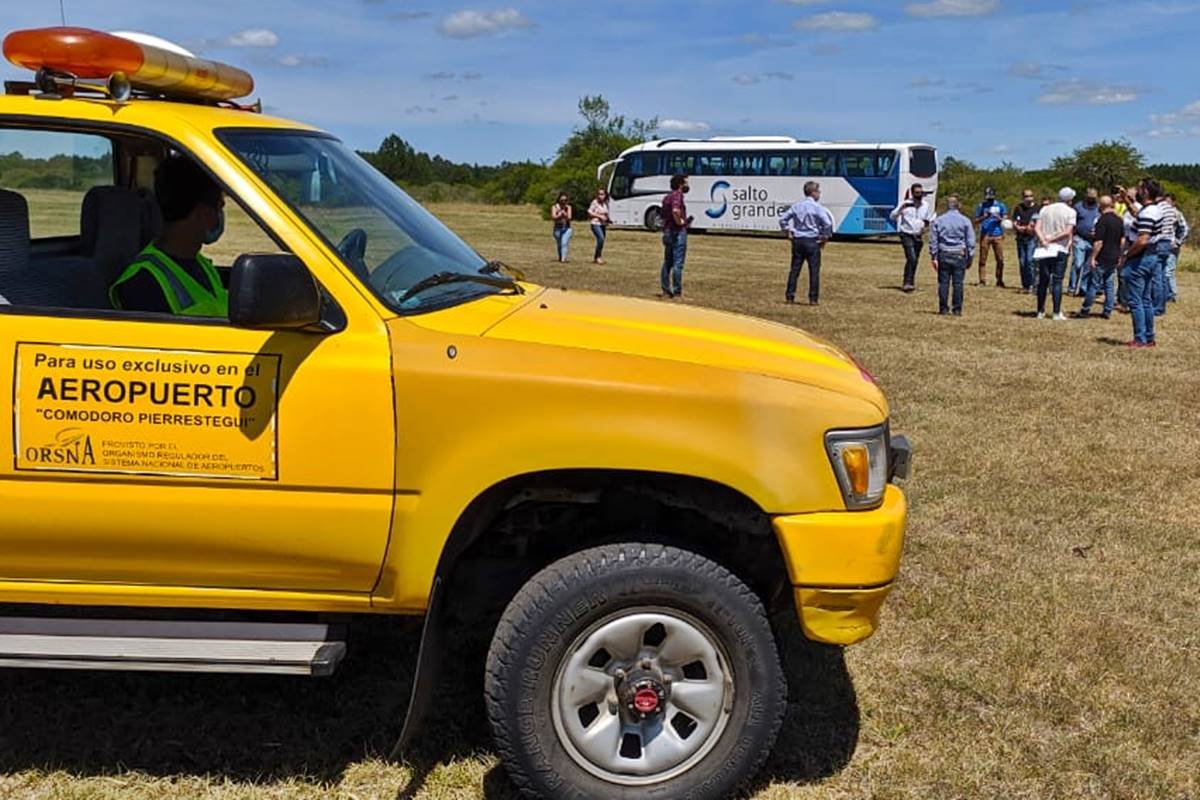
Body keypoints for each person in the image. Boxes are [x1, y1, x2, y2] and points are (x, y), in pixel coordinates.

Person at [110, 155, 228, 316]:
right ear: (203, 213)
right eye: (219, 207)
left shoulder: (200, 263)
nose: (220, 216)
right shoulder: (143, 284)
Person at [1122, 178, 1170, 347]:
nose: (1136, 190)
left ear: (1146, 192)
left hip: (1141, 257)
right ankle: (1149, 337)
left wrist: (1127, 255)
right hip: (1152, 255)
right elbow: (1137, 214)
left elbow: (1142, 239)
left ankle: (1140, 338)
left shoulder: (1149, 212)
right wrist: (1126, 200)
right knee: (1146, 299)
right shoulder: (1153, 209)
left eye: (1139, 188)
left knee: (1135, 300)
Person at [778, 180, 834, 305]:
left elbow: (783, 219)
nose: (819, 194)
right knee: (814, 271)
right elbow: (827, 223)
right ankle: (813, 299)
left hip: (798, 240)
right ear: (813, 193)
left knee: (794, 270)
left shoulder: (797, 206)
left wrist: (788, 232)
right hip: (812, 241)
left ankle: (790, 296)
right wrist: (825, 238)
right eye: (818, 191)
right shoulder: (817, 207)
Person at [1033, 187, 1077, 320]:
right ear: (1070, 199)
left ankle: (1040, 311)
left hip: (1044, 248)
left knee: (1043, 280)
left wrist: (1043, 240)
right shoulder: (1071, 212)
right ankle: (1056, 312)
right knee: (1057, 280)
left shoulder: (1045, 209)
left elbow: (1037, 227)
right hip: (1059, 248)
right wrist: (1051, 239)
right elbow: (1067, 232)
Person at [929, 194, 975, 316]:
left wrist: (933, 256)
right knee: (958, 283)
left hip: (943, 254)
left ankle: (943, 308)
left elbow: (933, 240)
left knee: (943, 283)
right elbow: (970, 241)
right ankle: (957, 309)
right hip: (959, 254)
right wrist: (970, 257)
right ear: (958, 205)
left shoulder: (939, 220)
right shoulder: (965, 221)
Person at [1078, 195, 1123, 319]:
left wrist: (1093, 257)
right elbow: (1122, 240)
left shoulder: (1102, 221)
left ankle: (1085, 308)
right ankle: (1108, 310)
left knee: (1094, 284)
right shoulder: (1119, 220)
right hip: (1114, 255)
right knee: (1109, 284)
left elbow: (1099, 242)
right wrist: (1119, 254)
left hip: (1102, 256)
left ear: (1101, 206)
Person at [890, 183, 935, 291]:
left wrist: (926, 225)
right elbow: (892, 216)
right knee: (911, 258)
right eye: (917, 193)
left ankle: (911, 282)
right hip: (906, 233)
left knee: (915, 260)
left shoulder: (925, 205)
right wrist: (901, 209)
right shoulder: (906, 203)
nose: (919, 194)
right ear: (912, 193)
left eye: (920, 192)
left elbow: (927, 218)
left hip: (918, 235)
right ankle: (906, 282)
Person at [660, 174, 692, 298]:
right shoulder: (677, 195)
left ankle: (665, 289)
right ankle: (677, 291)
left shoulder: (666, 197)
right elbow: (675, 210)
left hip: (667, 231)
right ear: (680, 184)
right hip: (677, 232)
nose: (688, 185)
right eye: (686, 183)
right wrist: (681, 222)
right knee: (678, 263)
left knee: (667, 262)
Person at [1068, 188, 1101, 297]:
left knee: (1088, 266)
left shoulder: (1099, 208)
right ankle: (1072, 288)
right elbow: (1072, 223)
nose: (1092, 198)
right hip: (1080, 239)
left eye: (1094, 196)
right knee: (1078, 264)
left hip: (1093, 241)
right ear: (1086, 196)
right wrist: (1071, 237)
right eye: (1090, 196)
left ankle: (1083, 288)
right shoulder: (1078, 207)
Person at [974, 186, 1007, 286]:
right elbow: (975, 221)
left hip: (998, 234)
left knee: (1000, 258)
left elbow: (1005, 219)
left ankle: (999, 279)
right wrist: (984, 217)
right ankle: (982, 280)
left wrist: (999, 218)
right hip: (985, 234)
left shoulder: (1000, 205)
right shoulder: (981, 205)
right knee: (983, 258)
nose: (989, 198)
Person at [1012, 189, 1040, 294]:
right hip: (1020, 237)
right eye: (1026, 196)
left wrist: (1031, 228)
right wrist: (1017, 227)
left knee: (1030, 261)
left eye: (1030, 196)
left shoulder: (1037, 208)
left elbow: (1039, 223)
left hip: (1032, 238)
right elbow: (1015, 221)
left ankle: (1033, 284)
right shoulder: (1018, 208)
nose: (1028, 198)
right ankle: (1025, 284)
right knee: (1022, 262)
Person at [1162, 193, 1189, 306]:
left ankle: (1171, 294)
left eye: (1168, 201)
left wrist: (1178, 242)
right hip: (1163, 245)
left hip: (1172, 246)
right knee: (1164, 270)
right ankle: (1166, 293)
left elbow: (1185, 229)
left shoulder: (1177, 213)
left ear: (1173, 202)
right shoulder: (1162, 212)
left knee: (1169, 271)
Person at [587, 188, 611, 265]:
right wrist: (599, 216)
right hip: (595, 224)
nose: (601, 196)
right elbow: (589, 212)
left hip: (603, 224)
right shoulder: (595, 202)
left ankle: (597, 256)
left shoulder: (606, 203)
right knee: (601, 238)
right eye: (599, 194)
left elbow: (606, 213)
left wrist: (608, 219)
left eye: (602, 194)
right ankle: (598, 257)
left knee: (602, 241)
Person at [551, 193, 573, 262]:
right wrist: (559, 215)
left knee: (564, 242)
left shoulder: (568, 207)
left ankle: (564, 258)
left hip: (567, 228)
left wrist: (565, 215)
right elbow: (553, 217)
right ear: (559, 200)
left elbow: (569, 217)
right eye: (562, 200)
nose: (563, 202)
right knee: (559, 244)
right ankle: (561, 257)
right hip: (557, 228)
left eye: (565, 200)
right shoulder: (554, 207)